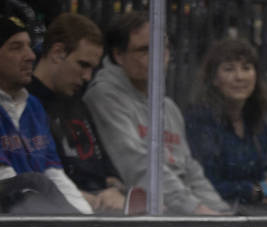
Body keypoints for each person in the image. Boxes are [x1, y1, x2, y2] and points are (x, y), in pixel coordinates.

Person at [84, 11, 230, 215]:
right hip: (137, 214)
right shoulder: (105, 96)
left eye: (164, 48)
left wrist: (222, 213)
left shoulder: (168, 107)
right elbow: (136, 164)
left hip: (182, 209)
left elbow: (190, 170)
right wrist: (197, 210)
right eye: (145, 50)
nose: (158, 57)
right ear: (118, 55)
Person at [185, 38, 267, 212]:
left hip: (248, 211)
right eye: (229, 69)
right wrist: (264, 189)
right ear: (214, 79)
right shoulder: (201, 122)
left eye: (246, 68)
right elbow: (209, 187)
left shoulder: (256, 123)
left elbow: (258, 182)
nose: (239, 77)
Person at [27, 12, 126, 214]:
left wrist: (115, 191)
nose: (87, 77)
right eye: (82, 65)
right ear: (57, 52)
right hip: (55, 216)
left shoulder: (79, 105)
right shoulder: (26, 104)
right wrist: (74, 196)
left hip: (99, 210)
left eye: (92, 68)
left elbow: (110, 172)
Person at [0, 12, 90, 214]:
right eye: (16, 47)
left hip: (38, 221)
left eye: (29, 46)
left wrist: (87, 222)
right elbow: (8, 185)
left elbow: (55, 175)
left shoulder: (33, 105)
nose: (31, 55)